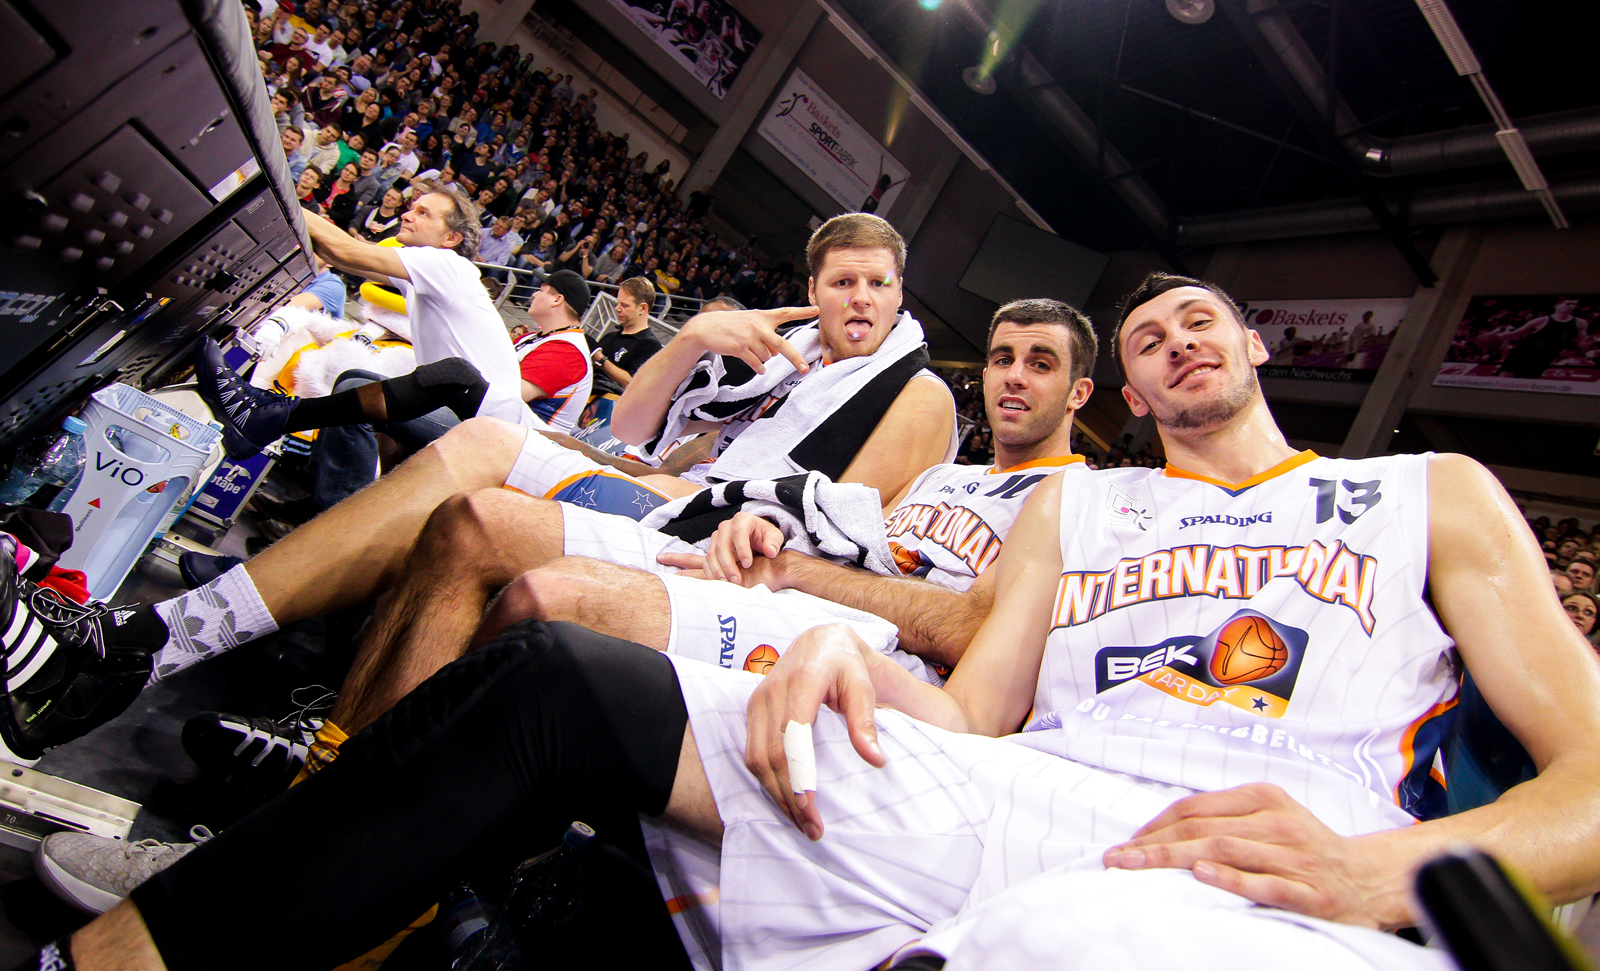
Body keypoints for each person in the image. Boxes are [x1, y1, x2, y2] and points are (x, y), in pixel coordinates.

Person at [41, 275, 1600, 971]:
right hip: (1030, 781)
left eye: (1204, 318)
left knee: (1051, 944)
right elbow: (980, 709)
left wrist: (1377, 866)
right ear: (1131, 395)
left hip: (1262, 838)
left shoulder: (1432, 487)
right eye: (1149, 332)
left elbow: (1592, 775)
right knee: (553, 677)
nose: (1178, 338)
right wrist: (856, 653)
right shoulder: (1083, 507)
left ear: (1260, 346)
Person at [26, 298, 1095, 925]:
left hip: (837, 646)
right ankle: (243, 771)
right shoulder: (932, 473)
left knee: (534, 584)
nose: (1010, 377)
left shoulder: (1064, 499)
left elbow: (959, 635)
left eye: (1038, 364)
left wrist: (796, 569)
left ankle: (298, 883)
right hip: (753, 555)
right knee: (468, 520)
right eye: (1000, 356)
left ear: (1083, 394)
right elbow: (738, 484)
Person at [0, 218, 954, 760]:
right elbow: (633, 433)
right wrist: (698, 337)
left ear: (900, 288)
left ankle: (152, 648)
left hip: (720, 565)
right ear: (815, 289)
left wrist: (669, 478)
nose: (858, 300)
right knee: (461, 472)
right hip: (664, 503)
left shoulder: (915, 391)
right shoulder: (792, 368)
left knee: (471, 447)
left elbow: (819, 533)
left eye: (875, 283)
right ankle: (188, 664)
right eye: (840, 283)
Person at [192, 187, 534, 462]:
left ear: (451, 239)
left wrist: (269, 191)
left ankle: (262, 418)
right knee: (355, 381)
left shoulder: (446, 264)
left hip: (485, 428)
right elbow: (343, 257)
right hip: (474, 419)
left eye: (422, 213)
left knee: (351, 388)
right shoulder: (436, 271)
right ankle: (308, 473)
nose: (406, 214)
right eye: (412, 208)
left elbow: (347, 251)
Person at [514, 269, 593, 433]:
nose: (534, 295)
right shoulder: (532, 337)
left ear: (557, 299)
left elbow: (510, 394)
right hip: (504, 432)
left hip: (526, 445)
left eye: (541, 290)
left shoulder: (568, 352)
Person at [1495, 296, 1590, 379]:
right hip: (1523, 354)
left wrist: (1587, 344)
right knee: (1505, 380)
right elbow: (1514, 334)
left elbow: (1581, 343)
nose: (1572, 307)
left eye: (1574, 304)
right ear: (1557, 305)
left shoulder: (1580, 323)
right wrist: (1495, 337)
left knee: (1525, 385)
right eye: (1568, 304)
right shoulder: (1541, 320)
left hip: (1544, 358)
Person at [591, 277, 661, 390]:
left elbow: (631, 383)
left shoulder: (650, 345)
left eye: (624, 305)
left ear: (642, 308)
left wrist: (601, 359)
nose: (617, 308)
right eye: (618, 303)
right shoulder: (610, 336)